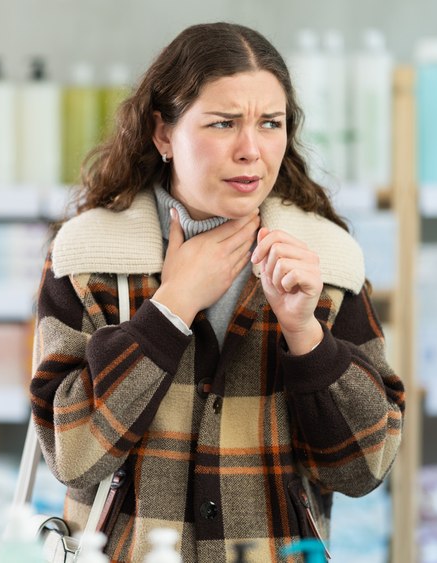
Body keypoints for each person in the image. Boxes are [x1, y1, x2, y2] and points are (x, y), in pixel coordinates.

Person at [29, 22, 404, 563]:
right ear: (163, 134)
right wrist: (171, 308)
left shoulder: (326, 263)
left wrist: (306, 334)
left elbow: (364, 468)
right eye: (223, 123)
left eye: (270, 123)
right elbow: (74, 455)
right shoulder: (88, 259)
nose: (251, 150)